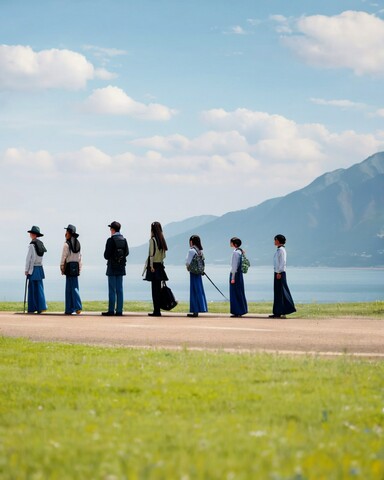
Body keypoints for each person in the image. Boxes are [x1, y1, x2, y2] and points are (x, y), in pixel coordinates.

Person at [102, 221, 129, 316]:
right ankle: (119, 310)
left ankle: (111, 310)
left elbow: (106, 255)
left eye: (110, 228)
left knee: (112, 289)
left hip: (112, 267)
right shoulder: (124, 240)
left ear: (113, 229)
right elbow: (126, 253)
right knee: (120, 289)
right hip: (121, 267)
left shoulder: (110, 240)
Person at [143, 221, 168, 316]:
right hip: (160, 266)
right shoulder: (162, 240)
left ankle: (156, 310)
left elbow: (151, 254)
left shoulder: (152, 240)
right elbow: (164, 255)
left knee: (154, 290)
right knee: (158, 289)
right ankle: (158, 310)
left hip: (153, 266)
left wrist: (151, 266)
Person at [269, 234, 296, 319]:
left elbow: (282, 262)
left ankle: (282, 311)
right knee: (278, 292)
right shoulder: (279, 250)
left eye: (275, 240)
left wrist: (279, 272)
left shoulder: (281, 250)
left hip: (280, 273)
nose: (274, 241)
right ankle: (278, 311)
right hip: (277, 272)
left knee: (281, 292)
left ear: (278, 240)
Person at [60, 224, 82, 315]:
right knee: (75, 286)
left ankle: (72, 308)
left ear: (69, 233)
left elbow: (63, 257)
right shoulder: (78, 243)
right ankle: (74, 308)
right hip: (76, 267)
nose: (65, 234)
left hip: (69, 267)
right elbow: (80, 257)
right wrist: (80, 268)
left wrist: (62, 267)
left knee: (69, 289)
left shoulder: (66, 244)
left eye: (66, 232)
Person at [25, 226, 47, 314]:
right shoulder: (41, 244)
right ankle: (41, 307)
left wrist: (27, 270)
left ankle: (32, 308)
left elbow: (29, 259)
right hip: (40, 268)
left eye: (31, 233)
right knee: (39, 288)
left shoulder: (31, 245)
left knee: (32, 289)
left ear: (33, 234)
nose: (30, 234)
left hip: (33, 268)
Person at [185, 235, 208, 317]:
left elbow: (188, 262)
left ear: (191, 241)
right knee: (199, 289)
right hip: (199, 272)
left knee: (194, 290)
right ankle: (200, 308)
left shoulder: (191, 250)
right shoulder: (200, 251)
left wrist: (187, 267)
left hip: (193, 272)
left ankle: (195, 310)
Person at [229, 237, 248, 317]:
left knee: (235, 293)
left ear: (235, 244)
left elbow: (234, 266)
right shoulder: (240, 252)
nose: (230, 243)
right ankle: (241, 310)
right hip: (239, 274)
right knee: (239, 292)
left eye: (231, 242)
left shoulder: (236, 253)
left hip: (235, 274)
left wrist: (233, 277)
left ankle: (237, 311)